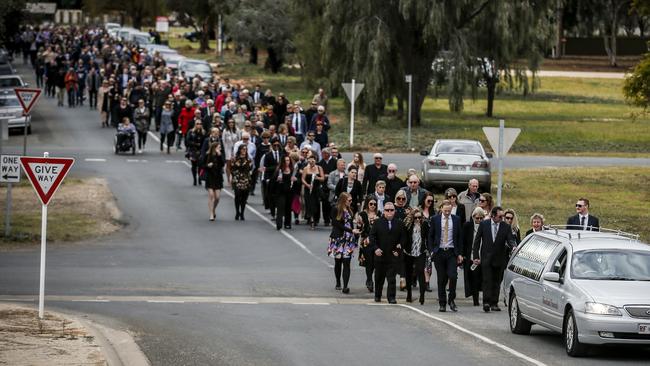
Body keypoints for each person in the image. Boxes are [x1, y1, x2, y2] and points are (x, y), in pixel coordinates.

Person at [472, 206, 517, 312]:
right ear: (493, 216)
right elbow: (477, 241)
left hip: (499, 258)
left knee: (497, 281)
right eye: (500, 216)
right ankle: (486, 302)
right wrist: (476, 256)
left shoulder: (505, 227)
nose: (502, 218)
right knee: (487, 280)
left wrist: (513, 246)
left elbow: (510, 239)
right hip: (486, 257)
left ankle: (494, 303)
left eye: (503, 216)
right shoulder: (484, 224)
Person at [428, 200, 463, 312]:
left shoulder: (456, 219)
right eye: (445, 210)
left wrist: (460, 253)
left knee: (453, 276)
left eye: (449, 210)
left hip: (451, 252)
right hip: (439, 252)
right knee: (441, 279)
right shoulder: (435, 219)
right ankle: (442, 303)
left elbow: (459, 237)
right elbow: (430, 236)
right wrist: (432, 250)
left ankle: (451, 299)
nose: (447, 213)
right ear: (441, 208)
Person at [369, 202, 406, 304]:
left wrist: (398, 249)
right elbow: (372, 237)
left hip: (392, 256)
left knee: (391, 279)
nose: (389, 212)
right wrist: (375, 248)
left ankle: (391, 297)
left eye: (391, 210)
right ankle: (378, 295)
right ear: (384, 211)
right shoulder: (377, 223)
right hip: (380, 255)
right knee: (379, 278)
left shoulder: (399, 223)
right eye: (387, 210)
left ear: (394, 211)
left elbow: (403, 239)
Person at [328, 192, 361, 293]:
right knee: (338, 262)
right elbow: (336, 223)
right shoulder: (336, 209)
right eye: (349, 200)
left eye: (351, 200)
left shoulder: (350, 210)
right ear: (343, 200)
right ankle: (338, 282)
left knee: (347, 262)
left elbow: (350, 224)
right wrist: (351, 230)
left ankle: (345, 286)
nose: (351, 202)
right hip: (338, 239)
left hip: (349, 240)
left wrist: (355, 230)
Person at [403, 208, 429, 305]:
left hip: (420, 252)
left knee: (420, 271)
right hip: (409, 252)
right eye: (416, 218)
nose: (418, 220)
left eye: (420, 217)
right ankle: (409, 294)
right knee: (408, 274)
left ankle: (422, 295)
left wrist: (428, 248)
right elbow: (404, 237)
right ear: (412, 218)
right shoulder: (408, 225)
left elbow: (428, 237)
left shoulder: (425, 225)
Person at [463, 207, 486, 306]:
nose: (479, 220)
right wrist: (463, 255)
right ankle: (475, 300)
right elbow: (463, 241)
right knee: (474, 278)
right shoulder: (467, 226)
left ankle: (486, 300)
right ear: (473, 217)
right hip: (471, 256)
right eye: (477, 218)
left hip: (483, 255)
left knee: (483, 279)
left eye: (481, 218)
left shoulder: (485, 227)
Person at [357, 195, 380, 292]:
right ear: (367, 204)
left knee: (375, 262)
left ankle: (370, 278)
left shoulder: (379, 213)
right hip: (365, 241)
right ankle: (369, 280)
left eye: (375, 204)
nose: (373, 206)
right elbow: (359, 229)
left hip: (376, 241)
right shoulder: (362, 214)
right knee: (368, 262)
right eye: (371, 204)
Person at [271, 155, 296, 230]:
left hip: (289, 191)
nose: (287, 162)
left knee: (288, 208)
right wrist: (277, 179)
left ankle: (287, 223)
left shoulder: (292, 170)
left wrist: (295, 179)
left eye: (288, 160)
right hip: (280, 191)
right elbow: (273, 180)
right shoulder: (279, 170)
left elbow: (297, 180)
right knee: (280, 207)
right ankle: (279, 223)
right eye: (285, 160)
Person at [261, 138, 284, 217]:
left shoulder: (282, 154)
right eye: (275, 145)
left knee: (279, 195)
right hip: (271, 178)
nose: (276, 146)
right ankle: (273, 211)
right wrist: (266, 178)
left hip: (280, 178)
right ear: (272, 145)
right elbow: (265, 168)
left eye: (278, 145)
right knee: (271, 195)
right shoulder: (268, 155)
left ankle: (279, 210)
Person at [301, 154, 325, 229]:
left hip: (316, 189)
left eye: (313, 160)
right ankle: (311, 221)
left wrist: (317, 178)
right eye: (310, 160)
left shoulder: (319, 168)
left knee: (316, 204)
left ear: (315, 160)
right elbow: (303, 179)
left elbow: (323, 178)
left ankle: (316, 219)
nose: (311, 161)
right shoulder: (305, 169)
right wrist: (307, 185)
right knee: (310, 204)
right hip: (308, 190)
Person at [204, 141, 225, 221]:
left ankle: (213, 209)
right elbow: (202, 164)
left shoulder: (220, 155)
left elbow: (222, 164)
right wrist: (207, 165)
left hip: (218, 177)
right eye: (219, 147)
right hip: (210, 177)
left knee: (217, 197)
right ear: (214, 148)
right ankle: (211, 214)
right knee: (211, 196)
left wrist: (219, 155)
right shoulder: (208, 155)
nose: (220, 149)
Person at [232, 144, 252, 221]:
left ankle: (242, 213)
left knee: (244, 197)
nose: (244, 150)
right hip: (237, 179)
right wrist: (234, 177)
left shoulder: (248, 159)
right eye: (242, 149)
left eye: (245, 149)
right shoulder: (235, 159)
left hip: (246, 180)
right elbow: (232, 169)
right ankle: (237, 212)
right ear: (240, 150)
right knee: (237, 196)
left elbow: (250, 169)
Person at [186, 121, 206, 186]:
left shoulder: (203, 132)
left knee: (200, 165)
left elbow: (205, 142)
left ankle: (199, 178)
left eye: (200, 124)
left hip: (200, 151)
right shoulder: (191, 132)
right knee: (194, 166)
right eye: (197, 124)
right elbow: (188, 141)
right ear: (195, 125)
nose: (199, 125)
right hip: (193, 150)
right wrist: (195, 144)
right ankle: (194, 179)